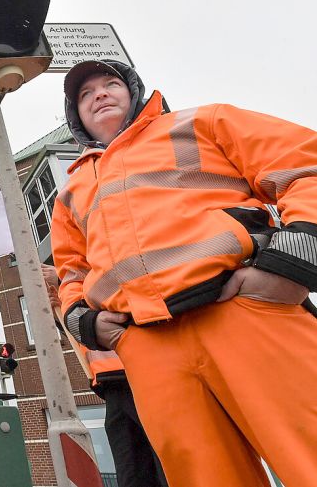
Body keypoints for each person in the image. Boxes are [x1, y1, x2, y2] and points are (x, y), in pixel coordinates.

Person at [51, 59, 317, 487]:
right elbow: (71, 275)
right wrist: (90, 323)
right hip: (148, 348)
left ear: (134, 92)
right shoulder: (70, 194)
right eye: (85, 95)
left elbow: (307, 168)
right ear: (76, 117)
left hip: (244, 314)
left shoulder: (205, 123)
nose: (98, 95)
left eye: (110, 84)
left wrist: (288, 266)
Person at [42, 265, 166, 487]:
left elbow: (114, 284)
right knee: (133, 473)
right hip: (112, 386)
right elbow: (87, 334)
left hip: (142, 375)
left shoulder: (111, 261)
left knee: (167, 466)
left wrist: (62, 280)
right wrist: (62, 310)